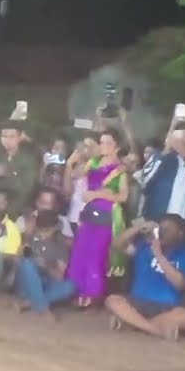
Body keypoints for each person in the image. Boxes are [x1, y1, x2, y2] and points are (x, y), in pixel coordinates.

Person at [103, 215, 185, 340]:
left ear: (180, 234)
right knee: (113, 300)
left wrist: (159, 256)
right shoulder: (144, 247)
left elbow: (180, 284)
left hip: (167, 307)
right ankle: (156, 330)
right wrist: (139, 227)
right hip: (137, 303)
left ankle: (132, 323)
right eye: (161, 229)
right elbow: (116, 245)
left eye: (168, 230)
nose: (162, 233)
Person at [65, 130, 128, 307]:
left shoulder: (119, 169)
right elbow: (77, 176)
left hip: (107, 213)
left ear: (117, 147)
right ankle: (76, 290)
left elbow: (123, 196)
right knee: (80, 251)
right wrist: (72, 162)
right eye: (102, 142)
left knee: (96, 254)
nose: (104, 146)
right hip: (89, 211)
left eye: (108, 143)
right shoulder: (93, 162)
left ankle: (92, 295)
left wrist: (98, 194)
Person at [15, 209, 75, 319]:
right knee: (27, 264)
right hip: (26, 284)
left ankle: (30, 302)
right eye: (40, 229)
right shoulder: (31, 238)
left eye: (47, 230)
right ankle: (42, 307)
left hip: (45, 282)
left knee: (70, 286)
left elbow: (59, 277)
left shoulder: (60, 245)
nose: (42, 233)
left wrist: (46, 267)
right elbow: (18, 261)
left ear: (55, 228)